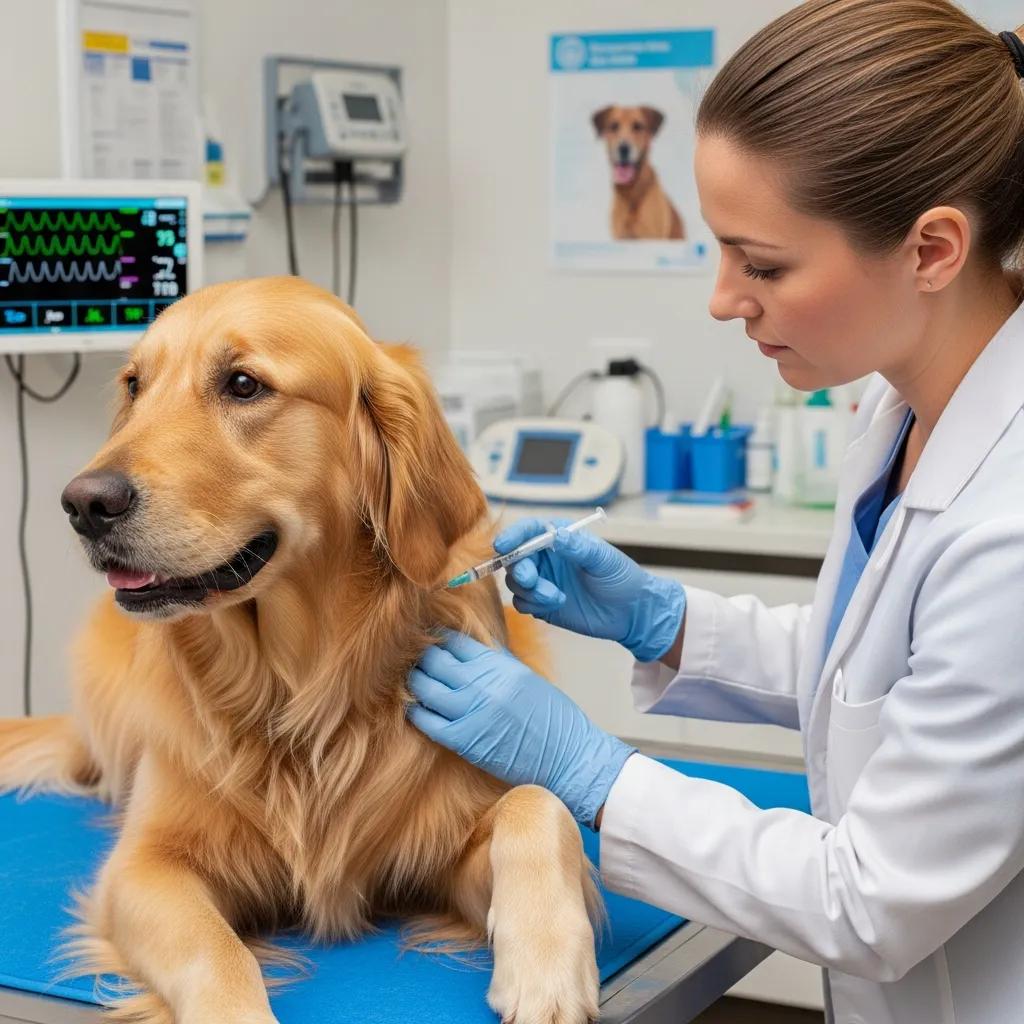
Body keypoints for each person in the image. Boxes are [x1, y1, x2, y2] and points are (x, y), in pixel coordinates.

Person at [409, 2, 1024, 1020]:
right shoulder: (897, 406)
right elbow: (875, 669)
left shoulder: (1009, 529)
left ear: (930, 250)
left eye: (763, 263)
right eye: (720, 251)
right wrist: (667, 623)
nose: (721, 298)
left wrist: (591, 771)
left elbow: (865, 900)